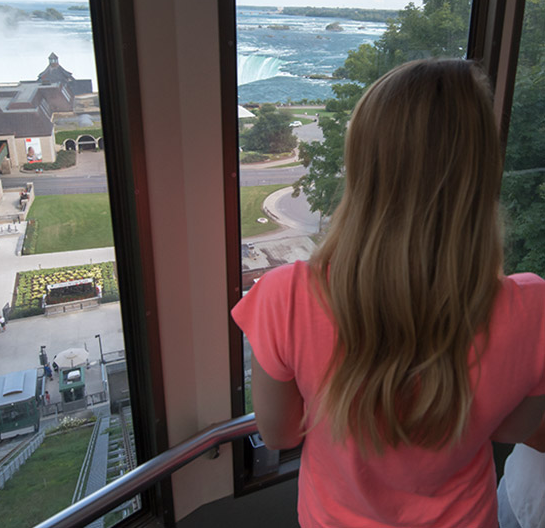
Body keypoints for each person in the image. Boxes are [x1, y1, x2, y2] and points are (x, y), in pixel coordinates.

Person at [232, 59, 545, 528]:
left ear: (362, 166)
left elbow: (278, 433)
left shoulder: (286, 296)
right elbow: (513, 428)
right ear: (482, 172)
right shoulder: (531, 308)